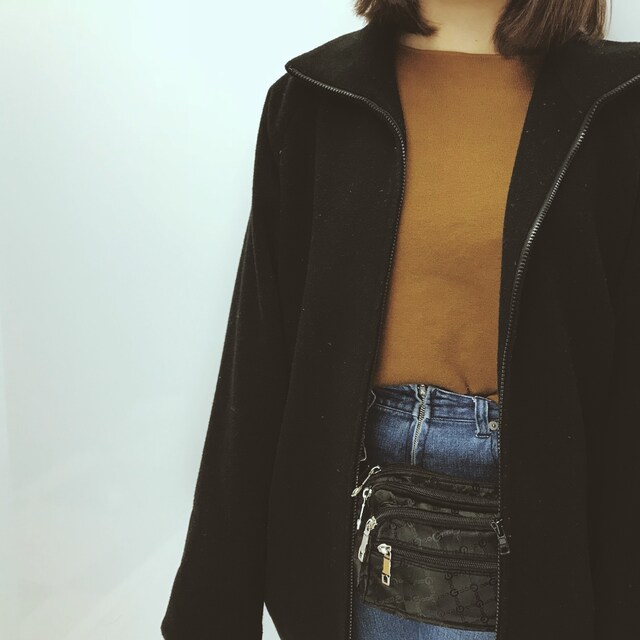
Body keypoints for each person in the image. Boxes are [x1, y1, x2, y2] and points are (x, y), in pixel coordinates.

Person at [161, 1, 640, 639]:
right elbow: (256, 370)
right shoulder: (312, 101)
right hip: (349, 564)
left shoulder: (622, 109)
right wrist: (210, 614)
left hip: (551, 553)